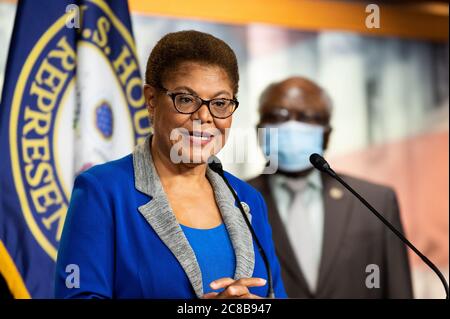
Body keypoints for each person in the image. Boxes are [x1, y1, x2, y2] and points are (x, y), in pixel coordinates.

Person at [54, 30, 286, 299]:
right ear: (151, 100)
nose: (204, 117)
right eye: (186, 99)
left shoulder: (248, 199)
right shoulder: (103, 190)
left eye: (220, 103)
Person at [248, 77, 413, 298]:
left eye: (307, 117)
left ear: (326, 134)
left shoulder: (375, 201)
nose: (292, 126)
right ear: (260, 131)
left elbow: (397, 289)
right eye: (279, 116)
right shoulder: (233, 198)